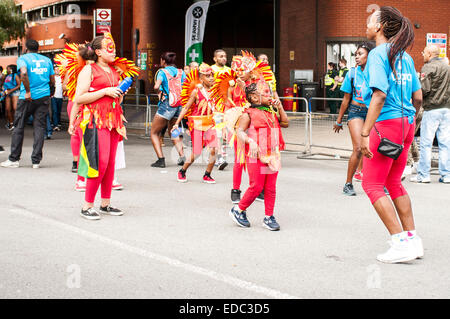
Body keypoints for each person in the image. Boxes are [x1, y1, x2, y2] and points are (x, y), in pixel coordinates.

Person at [361, 6, 423, 263]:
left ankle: (399, 243)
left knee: (371, 184)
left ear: (380, 27)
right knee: (394, 182)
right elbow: (418, 97)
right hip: (406, 122)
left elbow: (379, 94)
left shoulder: (377, 54)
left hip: (387, 123)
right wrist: (410, 125)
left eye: (371, 19)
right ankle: (412, 239)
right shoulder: (405, 57)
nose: (367, 22)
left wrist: (365, 132)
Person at [70, 33, 129, 220]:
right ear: (98, 52)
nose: (114, 52)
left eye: (114, 48)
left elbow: (115, 99)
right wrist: (105, 91)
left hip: (113, 121)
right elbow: (79, 98)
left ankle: (105, 203)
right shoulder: (88, 70)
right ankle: (87, 205)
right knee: (99, 162)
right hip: (94, 121)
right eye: (109, 48)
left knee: (111, 163)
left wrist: (119, 93)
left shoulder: (113, 71)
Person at [228, 82, 289, 231]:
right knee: (256, 186)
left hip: (272, 153)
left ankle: (269, 216)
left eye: (270, 92)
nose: (270, 95)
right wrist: (251, 141)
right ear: (255, 98)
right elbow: (240, 132)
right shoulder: (247, 113)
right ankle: (238, 210)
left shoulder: (272, 111)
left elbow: (285, 123)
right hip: (256, 154)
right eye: (266, 92)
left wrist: (279, 106)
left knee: (270, 187)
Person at [1, 39, 55, 169]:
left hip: (27, 98)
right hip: (43, 96)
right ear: (38, 49)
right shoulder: (47, 60)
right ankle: (36, 161)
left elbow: (24, 73)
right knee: (39, 127)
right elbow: (52, 79)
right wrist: (51, 91)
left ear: (26, 48)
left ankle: (14, 159)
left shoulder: (23, 58)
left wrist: (28, 92)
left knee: (19, 126)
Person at [333, 43, 374, 195]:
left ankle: (379, 181)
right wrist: (339, 120)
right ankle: (348, 184)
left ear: (369, 56)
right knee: (358, 148)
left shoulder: (376, 73)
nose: (357, 56)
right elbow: (345, 100)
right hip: (356, 111)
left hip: (372, 112)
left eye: (360, 53)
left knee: (372, 149)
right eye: (356, 54)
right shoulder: (351, 74)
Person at [410, 44, 450, 184]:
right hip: (446, 109)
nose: (422, 54)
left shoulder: (428, 67)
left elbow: (424, 90)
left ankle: (424, 175)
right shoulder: (447, 67)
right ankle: (446, 175)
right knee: (445, 143)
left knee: (426, 143)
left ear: (429, 54)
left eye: (424, 52)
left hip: (431, 108)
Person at [172, 63, 217, 183]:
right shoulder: (196, 91)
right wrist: (176, 123)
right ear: (201, 78)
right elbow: (186, 107)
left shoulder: (215, 90)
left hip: (210, 123)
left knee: (214, 149)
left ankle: (207, 174)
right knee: (197, 151)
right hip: (197, 123)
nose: (211, 78)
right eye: (208, 76)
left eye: (212, 75)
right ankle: (182, 170)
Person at [151, 52, 186, 168]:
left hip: (167, 104)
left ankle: (161, 160)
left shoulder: (162, 72)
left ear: (163, 61)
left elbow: (156, 86)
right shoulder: (181, 72)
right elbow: (186, 86)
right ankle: (182, 156)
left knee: (154, 132)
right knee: (173, 130)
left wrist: (160, 93)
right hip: (179, 105)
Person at [211, 49, 231, 170]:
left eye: (225, 56)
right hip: (215, 105)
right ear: (215, 58)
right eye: (221, 56)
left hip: (228, 105)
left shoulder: (229, 71)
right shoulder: (210, 70)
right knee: (218, 133)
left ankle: (219, 155)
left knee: (225, 133)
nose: (224, 58)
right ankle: (219, 158)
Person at [2, 64, 20, 131]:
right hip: (7, 93)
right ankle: (11, 123)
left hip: (15, 92)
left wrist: (11, 90)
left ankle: (17, 123)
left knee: (15, 108)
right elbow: (4, 85)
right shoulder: (6, 76)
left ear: (11, 69)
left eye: (8, 68)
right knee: (7, 109)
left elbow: (19, 85)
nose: (7, 69)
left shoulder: (15, 76)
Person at [51, 65, 63, 131]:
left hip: (60, 96)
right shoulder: (53, 78)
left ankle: (57, 122)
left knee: (58, 111)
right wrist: (51, 94)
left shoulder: (62, 78)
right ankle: (55, 125)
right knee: (54, 111)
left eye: (58, 69)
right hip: (54, 96)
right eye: (56, 69)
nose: (57, 71)